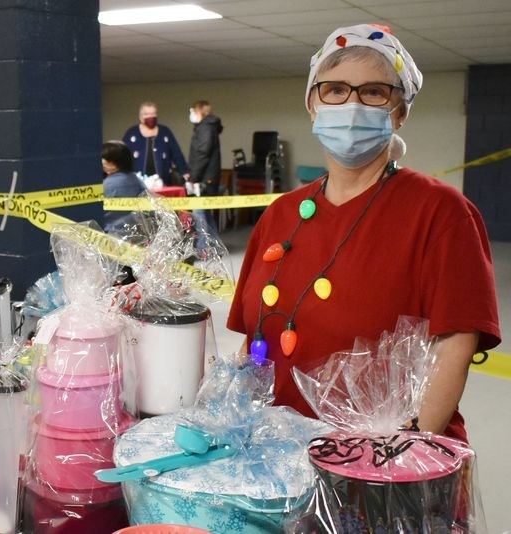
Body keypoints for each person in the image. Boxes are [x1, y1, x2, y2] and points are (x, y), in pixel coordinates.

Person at [226, 24, 500, 442]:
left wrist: (396, 460)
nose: (351, 104)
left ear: (400, 111)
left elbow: (454, 348)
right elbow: (253, 339)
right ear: (312, 104)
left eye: (374, 92)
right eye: (334, 90)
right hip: (280, 459)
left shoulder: (442, 213)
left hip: (385, 467)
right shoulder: (281, 214)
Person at [123, 101, 188, 186]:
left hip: (162, 182)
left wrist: (184, 172)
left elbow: (177, 154)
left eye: (153, 113)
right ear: (140, 116)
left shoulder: (165, 132)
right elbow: (122, 157)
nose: (150, 116)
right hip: (137, 183)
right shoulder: (131, 133)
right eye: (147, 114)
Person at [187, 100, 223, 245]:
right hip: (208, 176)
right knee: (205, 212)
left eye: (193, 111)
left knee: (199, 212)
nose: (191, 114)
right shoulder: (208, 127)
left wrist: (193, 178)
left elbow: (202, 153)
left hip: (204, 178)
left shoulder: (206, 128)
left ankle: (204, 248)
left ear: (201, 111)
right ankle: (214, 245)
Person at [101, 140, 146, 233]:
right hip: (136, 234)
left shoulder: (105, 185)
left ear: (112, 163)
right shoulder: (137, 180)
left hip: (110, 235)